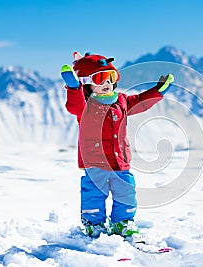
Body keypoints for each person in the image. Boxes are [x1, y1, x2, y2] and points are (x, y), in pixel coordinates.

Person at [61, 52, 174, 239]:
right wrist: (73, 88)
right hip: (95, 161)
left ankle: (123, 222)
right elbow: (74, 106)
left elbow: (140, 103)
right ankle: (93, 224)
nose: (107, 83)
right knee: (95, 193)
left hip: (119, 159)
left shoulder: (120, 100)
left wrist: (157, 92)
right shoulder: (86, 105)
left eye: (111, 77)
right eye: (100, 78)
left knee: (126, 190)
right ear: (86, 83)